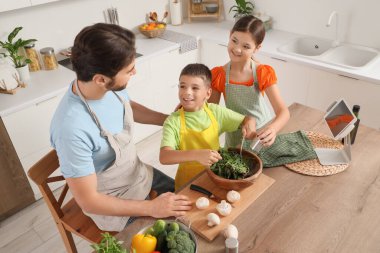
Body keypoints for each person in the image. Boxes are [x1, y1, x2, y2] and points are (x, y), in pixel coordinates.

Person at [50, 23, 192, 232]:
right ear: (101, 79)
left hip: (140, 175)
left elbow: (128, 107)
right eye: (129, 70)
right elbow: (89, 201)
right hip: (112, 203)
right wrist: (152, 207)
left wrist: (169, 120)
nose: (135, 71)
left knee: (195, 205)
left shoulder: (105, 88)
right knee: (175, 237)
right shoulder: (71, 129)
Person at [159, 63, 256, 190]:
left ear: (208, 93)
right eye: (182, 86)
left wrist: (250, 125)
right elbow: (164, 157)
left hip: (216, 179)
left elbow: (247, 119)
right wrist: (197, 155)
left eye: (195, 88)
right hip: (188, 185)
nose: (187, 92)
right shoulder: (173, 122)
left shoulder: (215, 112)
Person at [208, 15, 290, 149]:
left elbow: (283, 112)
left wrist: (273, 129)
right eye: (234, 40)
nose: (237, 49)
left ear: (257, 48)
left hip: (261, 137)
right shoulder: (218, 75)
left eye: (246, 46)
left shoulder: (262, 72)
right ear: (230, 35)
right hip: (235, 139)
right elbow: (212, 114)